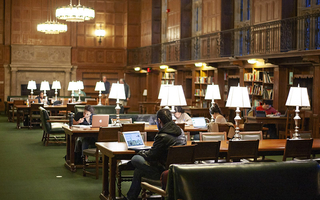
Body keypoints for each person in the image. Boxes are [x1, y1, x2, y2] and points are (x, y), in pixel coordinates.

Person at [126, 109, 187, 200]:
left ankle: (130, 198)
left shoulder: (161, 135)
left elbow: (151, 156)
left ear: (159, 121)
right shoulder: (181, 132)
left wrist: (141, 153)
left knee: (135, 159)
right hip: (179, 170)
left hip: (164, 171)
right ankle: (130, 197)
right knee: (139, 171)